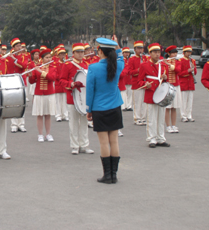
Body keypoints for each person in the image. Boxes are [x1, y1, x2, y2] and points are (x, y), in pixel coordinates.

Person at [85, 38, 124, 184]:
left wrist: (88, 109)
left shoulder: (93, 68)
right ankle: (114, 175)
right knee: (114, 141)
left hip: (99, 109)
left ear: (100, 51)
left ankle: (107, 175)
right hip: (115, 107)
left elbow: (90, 91)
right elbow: (120, 57)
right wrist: (117, 46)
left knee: (103, 143)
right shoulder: (118, 65)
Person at [59, 43, 94, 155]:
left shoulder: (87, 65)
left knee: (84, 122)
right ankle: (74, 145)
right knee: (73, 122)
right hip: (72, 97)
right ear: (73, 53)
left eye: (82, 52)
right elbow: (62, 80)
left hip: (84, 97)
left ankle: (84, 145)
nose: (80, 54)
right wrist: (72, 83)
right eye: (78, 52)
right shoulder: (67, 65)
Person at [138, 43, 171, 148]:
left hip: (161, 94)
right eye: (155, 52)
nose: (157, 54)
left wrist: (165, 78)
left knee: (161, 117)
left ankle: (161, 138)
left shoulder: (163, 65)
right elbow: (139, 81)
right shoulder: (144, 65)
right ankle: (152, 138)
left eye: (159, 52)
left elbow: (167, 81)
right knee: (151, 118)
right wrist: (145, 84)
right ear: (150, 53)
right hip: (150, 93)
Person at [29, 48, 57, 142]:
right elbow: (32, 81)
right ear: (42, 59)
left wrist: (41, 71)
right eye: (47, 58)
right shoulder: (37, 67)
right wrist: (30, 74)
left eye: (50, 57)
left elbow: (51, 78)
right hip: (39, 94)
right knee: (39, 115)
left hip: (49, 93)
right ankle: (40, 134)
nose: (49, 59)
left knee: (48, 115)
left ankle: (48, 134)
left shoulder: (53, 68)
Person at [7, 38, 29, 133]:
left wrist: (15, 59)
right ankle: (14, 124)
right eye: (17, 46)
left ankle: (21, 124)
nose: (19, 47)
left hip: (21, 81)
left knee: (21, 103)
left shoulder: (24, 56)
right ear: (13, 48)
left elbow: (24, 66)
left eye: (20, 46)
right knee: (13, 103)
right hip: (12, 81)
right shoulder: (8, 57)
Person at [125, 41, 148, 125]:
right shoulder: (132, 59)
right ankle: (137, 118)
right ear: (134, 50)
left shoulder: (145, 58)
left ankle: (143, 117)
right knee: (137, 102)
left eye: (141, 48)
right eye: (138, 48)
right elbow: (130, 71)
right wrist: (138, 70)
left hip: (145, 82)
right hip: (136, 83)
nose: (140, 50)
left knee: (144, 102)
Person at [164, 45, 182, 134]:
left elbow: (179, 70)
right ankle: (168, 126)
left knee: (174, 107)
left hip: (176, 86)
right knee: (167, 107)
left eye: (176, 53)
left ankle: (174, 125)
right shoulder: (164, 62)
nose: (175, 54)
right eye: (173, 53)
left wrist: (169, 65)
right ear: (168, 54)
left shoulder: (177, 61)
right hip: (167, 86)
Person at [178, 45, 197, 123]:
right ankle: (183, 115)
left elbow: (195, 73)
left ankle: (189, 115)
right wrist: (187, 71)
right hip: (184, 83)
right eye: (188, 52)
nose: (189, 53)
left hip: (191, 83)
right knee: (183, 100)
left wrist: (194, 68)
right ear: (184, 53)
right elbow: (179, 73)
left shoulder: (192, 61)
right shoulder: (180, 61)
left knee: (190, 100)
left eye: (190, 52)